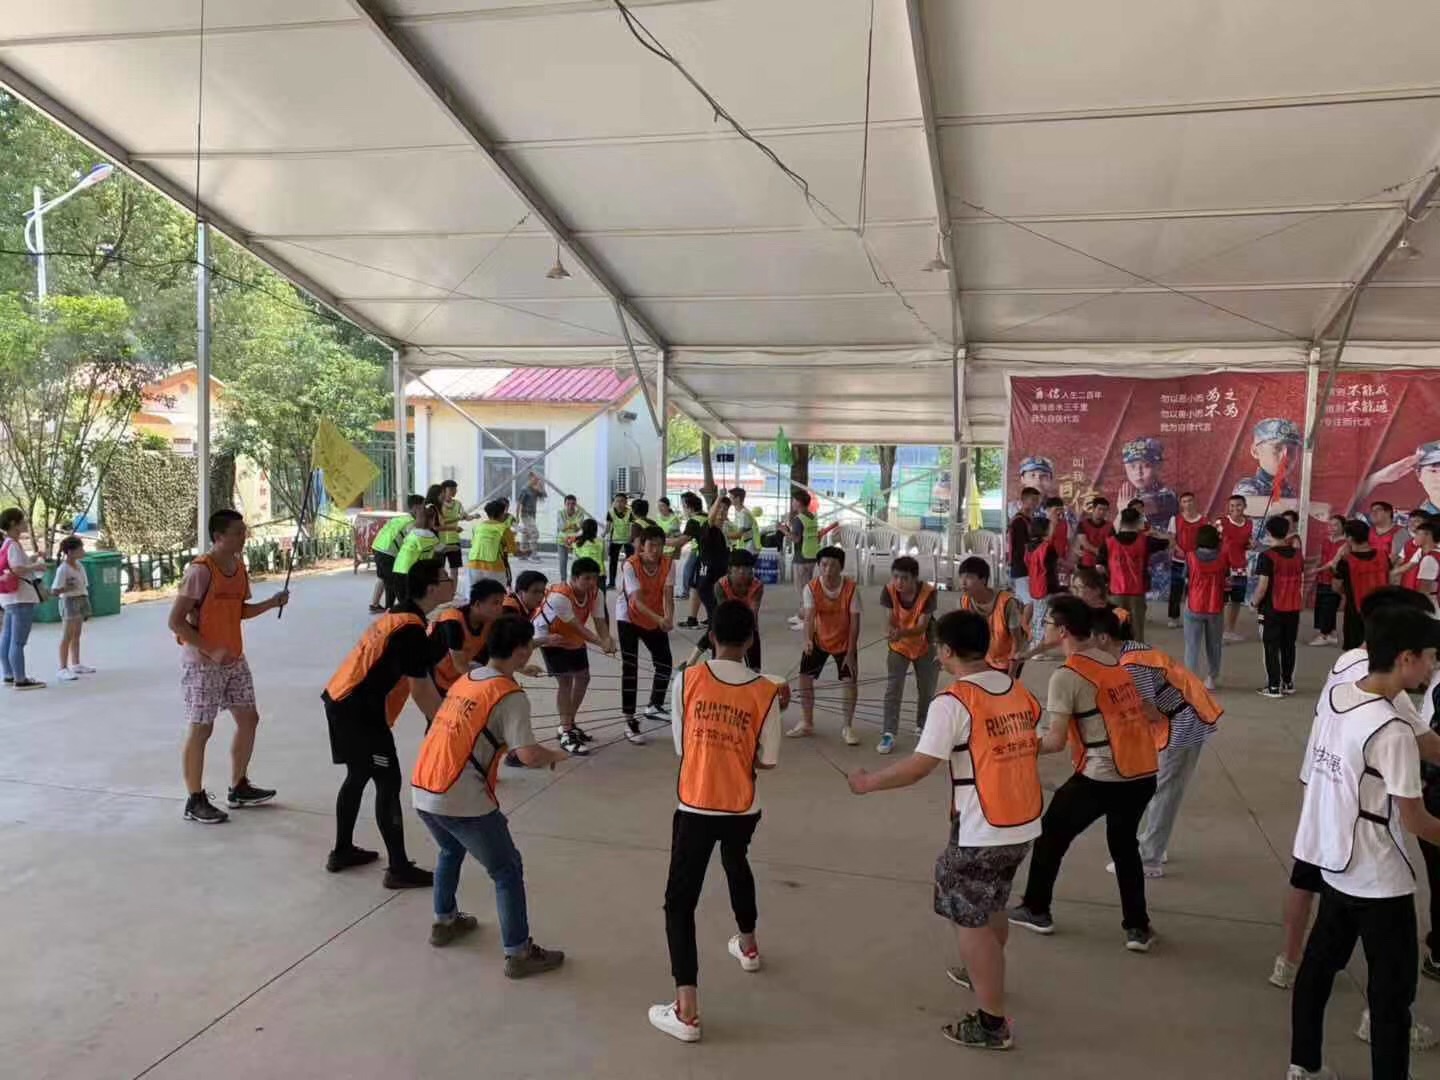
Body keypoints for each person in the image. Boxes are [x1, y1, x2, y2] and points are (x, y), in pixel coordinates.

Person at [848, 609, 1042, 1050]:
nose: (936, 654)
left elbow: (920, 766)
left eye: (938, 647)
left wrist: (868, 783)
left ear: (949, 651)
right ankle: (984, 973)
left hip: (984, 826)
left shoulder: (953, 702)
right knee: (992, 901)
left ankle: (991, 1023)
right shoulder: (1015, 687)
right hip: (1022, 820)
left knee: (968, 914)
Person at [1287, 604, 1440, 1080]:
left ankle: (1304, 1065)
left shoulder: (1341, 696)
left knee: (1318, 967)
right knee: (1391, 999)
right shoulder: (1392, 730)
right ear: (1407, 658)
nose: (1433, 667)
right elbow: (1416, 820)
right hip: (1380, 880)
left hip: (1338, 865)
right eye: (1431, 657)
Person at [648, 600, 786, 1043]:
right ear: (750, 640)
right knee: (736, 862)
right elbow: (768, 761)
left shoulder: (686, 680)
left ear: (711, 638)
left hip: (696, 805)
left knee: (679, 903)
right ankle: (748, 945)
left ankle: (687, 1011)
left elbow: (682, 747)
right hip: (742, 807)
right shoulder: (766, 691)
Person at [411, 613, 569, 974]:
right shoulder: (509, 695)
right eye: (529, 646)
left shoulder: (468, 678)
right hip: (460, 796)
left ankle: (445, 921)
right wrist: (554, 755)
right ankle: (519, 953)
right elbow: (527, 755)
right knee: (506, 869)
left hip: (423, 787)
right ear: (521, 651)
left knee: (450, 849)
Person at [1010, 595, 1163, 952]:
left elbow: (1054, 741)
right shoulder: (1110, 661)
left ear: (1063, 630)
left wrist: (1016, 746)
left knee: (1051, 835)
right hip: (1141, 772)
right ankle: (1137, 928)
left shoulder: (1067, 676)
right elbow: (1147, 710)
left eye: (1047, 624)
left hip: (1102, 777)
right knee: (1124, 847)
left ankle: (1036, 909)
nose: (1043, 629)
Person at [323, 558, 446, 886]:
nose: (451, 582)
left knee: (358, 775)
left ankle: (342, 851)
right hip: (358, 712)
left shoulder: (400, 616)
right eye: (446, 578)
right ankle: (398, 868)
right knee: (387, 782)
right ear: (432, 588)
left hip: (342, 700)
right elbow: (421, 687)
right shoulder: (409, 628)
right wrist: (446, 726)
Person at [168, 509, 289, 824]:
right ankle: (194, 799)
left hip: (234, 658)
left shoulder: (238, 567)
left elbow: (239, 611)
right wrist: (210, 649)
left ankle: (239, 787)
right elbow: (176, 621)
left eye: (244, 531)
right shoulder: (200, 571)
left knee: (249, 718)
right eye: (237, 532)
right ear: (218, 536)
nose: (243, 536)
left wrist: (271, 603)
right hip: (202, 663)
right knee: (202, 728)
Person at [1098, 609, 1220, 879]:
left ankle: (1149, 858)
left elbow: (1148, 711)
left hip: (1184, 724)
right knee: (1162, 788)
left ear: (1104, 638)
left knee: (1165, 790)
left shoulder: (1131, 664)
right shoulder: (1130, 651)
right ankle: (1155, 844)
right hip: (1181, 717)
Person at [534, 556, 615, 756]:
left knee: (583, 677)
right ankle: (566, 732)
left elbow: (599, 620)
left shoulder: (596, 592)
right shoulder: (560, 596)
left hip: (572, 637)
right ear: (574, 578)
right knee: (566, 681)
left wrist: (607, 639)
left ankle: (568, 723)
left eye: (594, 578)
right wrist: (601, 643)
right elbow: (578, 627)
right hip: (550, 636)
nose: (592, 583)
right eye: (587, 578)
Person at [789, 546, 860, 745]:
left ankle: (847, 727)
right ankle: (807, 722)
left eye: (833, 565)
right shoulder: (811, 588)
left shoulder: (851, 588)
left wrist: (851, 652)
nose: (828, 570)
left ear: (841, 567)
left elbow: (855, 623)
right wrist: (807, 639)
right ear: (819, 566)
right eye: (824, 565)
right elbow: (809, 617)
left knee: (850, 681)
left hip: (844, 641)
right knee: (804, 677)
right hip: (819, 639)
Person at [617, 525, 676, 744]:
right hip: (628, 618)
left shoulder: (669, 563)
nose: (656, 550)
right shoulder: (630, 565)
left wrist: (668, 617)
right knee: (630, 667)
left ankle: (654, 705)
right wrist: (660, 619)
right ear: (642, 546)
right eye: (651, 545)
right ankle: (630, 720)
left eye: (660, 545)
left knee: (664, 662)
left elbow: (668, 594)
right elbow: (635, 602)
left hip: (655, 615)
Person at [879, 556, 938, 754]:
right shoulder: (889, 591)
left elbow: (922, 626)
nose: (899, 582)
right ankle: (888, 733)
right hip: (899, 646)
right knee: (893, 688)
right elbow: (889, 619)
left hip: (925, 645)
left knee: (927, 689)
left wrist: (901, 632)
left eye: (904, 578)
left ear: (915, 578)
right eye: (895, 577)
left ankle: (923, 727)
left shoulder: (928, 592)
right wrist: (890, 630)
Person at [1253, 515, 1305, 699]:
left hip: (1272, 608)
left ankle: (1273, 686)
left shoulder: (1267, 556)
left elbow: (1262, 586)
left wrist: (1254, 602)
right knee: (1289, 645)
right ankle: (1288, 682)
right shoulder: (1298, 555)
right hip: (1293, 606)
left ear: (1268, 532)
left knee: (1271, 647)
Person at [686, 549, 764, 670]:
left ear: (752, 570)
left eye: (746, 568)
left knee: (753, 635)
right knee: (715, 628)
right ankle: (691, 662)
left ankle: (755, 671)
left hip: (746, 620)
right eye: (737, 568)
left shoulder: (757, 586)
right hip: (727, 618)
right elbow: (725, 613)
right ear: (730, 570)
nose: (742, 572)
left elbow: (752, 613)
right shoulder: (720, 585)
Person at [1103, 507, 1168, 643]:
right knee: (1137, 633)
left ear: (1121, 522)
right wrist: (1154, 532)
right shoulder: (1146, 541)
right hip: (1137, 593)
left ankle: (1118, 655)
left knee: (1116, 632)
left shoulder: (1108, 542)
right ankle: (1137, 655)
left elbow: (1099, 567)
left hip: (1115, 592)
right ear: (1139, 522)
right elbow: (1169, 542)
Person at [431, 579, 507, 696]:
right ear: (477, 604)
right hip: (432, 677)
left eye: (501, 603)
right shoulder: (453, 621)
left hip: (456, 677)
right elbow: (460, 666)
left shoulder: (490, 622)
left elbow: (495, 657)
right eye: (495, 603)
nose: (500, 608)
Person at [0, 507, 47, 691]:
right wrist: (37, 566)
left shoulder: (7, 544)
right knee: (18, 641)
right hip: (21, 598)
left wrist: (33, 558)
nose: (26, 523)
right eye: (23, 520)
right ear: (14, 524)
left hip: (9, 598)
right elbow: (17, 569)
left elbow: (17, 565)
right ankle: (20, 679)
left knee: (7, 637)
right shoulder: (13, 545)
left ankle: (9, 674)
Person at [957, 556, 1026, 676]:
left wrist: (1011, 676)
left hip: (1007, 661)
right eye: (961, 577)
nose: (963, 582)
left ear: (983, 580)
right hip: (984, 658)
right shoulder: (964, 601)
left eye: (969, 577)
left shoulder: (1007, 603)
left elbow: (1017, 643)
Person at [780, 488, 834, 632]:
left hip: (801, 556)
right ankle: (801, 615)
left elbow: (796, 538)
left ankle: (807, 621)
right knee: (807, 587)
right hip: (812, 554)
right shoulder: (812, 516)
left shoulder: (798, 519)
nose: (792, 503)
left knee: (802, 590)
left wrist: (783, 530)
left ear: (798, 502)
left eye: (793, 500)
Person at [1336, 519, 1390, 650]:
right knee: (1379, 650)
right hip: (1381, 610)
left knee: (1355, 653)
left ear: (1349, 538)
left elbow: (1336, 586)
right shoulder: (1383, 555)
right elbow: (1391, 578)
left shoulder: (1346, 561)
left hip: (1355, 613)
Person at [1183, 525, 1226, 688]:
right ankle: (1211, 678)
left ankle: (1190, 678)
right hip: (1215, 606)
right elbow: (1226, 578)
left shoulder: (1190, 556)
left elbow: (1185, 578)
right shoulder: (1223, 557)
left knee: (1192, 645)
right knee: (1214, 645)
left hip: (1194, 604)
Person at [369, 495, 424, 613]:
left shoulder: (402, 518)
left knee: (383, 577)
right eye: (422, 507)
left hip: (378, 546)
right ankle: (394, 609)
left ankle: (374, 605)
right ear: (416, 507)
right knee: (394, 582)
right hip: (388, 552)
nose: (424, 510)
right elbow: (412, 542)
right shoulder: (411, 522)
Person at [51, 535, 94, 683]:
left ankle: (76, 663)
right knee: (67, 635)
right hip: (69, 601)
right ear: (70, 551)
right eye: (80, 549)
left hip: (81, 597)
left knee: (77, 634)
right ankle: (62, 668)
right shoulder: (63, 569)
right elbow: (55, 591)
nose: (83, 551)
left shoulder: (79, 565)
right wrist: (66, 588)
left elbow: (83, 584)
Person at [1117, 436, 1177, 531]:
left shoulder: (1167, 495)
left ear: (1158, 467)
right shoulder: (1131, 495)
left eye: (1146, 465)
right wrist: (1122, 511)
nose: (1138, 472)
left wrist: (1126, 508)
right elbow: (1118, 530)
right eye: (1132, 467)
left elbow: (1145, 506)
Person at [1165, 492, 1207, 629]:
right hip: (1179, 561)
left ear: (1195, 502)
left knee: (1195, 591)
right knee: (1176, 590)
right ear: (1181, 504)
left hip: (1197, 563)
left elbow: (1206, 541)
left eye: (1190, 501)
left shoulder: (1204, 521)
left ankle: (1195, 616)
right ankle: (1173, 617)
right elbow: (1171, 538)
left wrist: (1197, 555)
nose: (1188, 504)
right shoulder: (1175, 519)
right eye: (1184, 501)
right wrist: (1178, 549)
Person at [1234, 417, 1301, 498]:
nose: (1285, 456)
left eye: (1292, 450)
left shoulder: (1290, 491)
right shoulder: (1248, 490)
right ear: (1255, 451)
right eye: (1277, 448)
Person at [1218, 494, 1254, 643]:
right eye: (1232, 505)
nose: (1235, 508)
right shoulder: (1221, 522)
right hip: (1223, 567)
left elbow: (1247, 543)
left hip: (1240, 567)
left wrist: (1251, 545)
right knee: (1220, 601)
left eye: (1238, 505)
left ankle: (1229, 631)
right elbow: (1213, 542)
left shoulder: (1249, 523)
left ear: (1244, 506)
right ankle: (1216, 632)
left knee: (1236, 600)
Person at [1309, 515, 1347, 647]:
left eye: (1335, 525)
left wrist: (1317, 569)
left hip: (1335, 580)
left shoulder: (1345, 544)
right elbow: (1321, 557)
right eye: (1330, 525)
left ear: (1343, 527)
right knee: (1321, 606)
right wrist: (1316, 569)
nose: (1332, 528)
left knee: (1329, 607)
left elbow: (1333, 562)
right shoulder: (1325, 541)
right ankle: (1331, 634)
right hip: (1322, 578)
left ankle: (1324, 635)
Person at [1024, 514, 1060, 652]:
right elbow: (1053, 564)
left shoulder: (1030, 547)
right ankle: (1036, 648)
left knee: (1038, 616)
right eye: (1050, 528)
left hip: (1035, 585)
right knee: (1042, 618)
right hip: (1045, 586)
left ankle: (1036, 645)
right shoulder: (1046, 547)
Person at [467, 499, 517, 587]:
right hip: (494, 567)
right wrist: (526, 552)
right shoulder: (504, 529)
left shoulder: (477, 527)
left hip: (473, 565)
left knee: (475, 593)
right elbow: (514, 551)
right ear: (502, 513)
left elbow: (474, 544)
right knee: (497, 593)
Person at [1006, 487, 1040, 605]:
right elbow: (1023, 548)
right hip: (1021, 566)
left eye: (1037, 500)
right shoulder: (1019, 521)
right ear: (1024, 500)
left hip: (1026, 565)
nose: (1036, 503)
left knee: (1023, 601)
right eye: (1033, 500)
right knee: (1027, 602)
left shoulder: (1029, 520)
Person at [1397, 519, 1440, 608]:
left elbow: (1424, 589)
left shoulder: (1430, 558)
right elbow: (1405, 567)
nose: (1414, 537)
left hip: (1431, 604)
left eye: (1417, 534)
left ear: (1428, 535)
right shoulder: (1421, 551)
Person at [393, 502, 441, 578]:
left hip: (398, 568)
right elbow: (440, 549)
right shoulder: (430, 537)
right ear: (431, 520)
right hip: (410, 571)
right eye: (434, 519)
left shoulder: (412, 533)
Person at [604, 492, 635, 590]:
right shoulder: (610, 512)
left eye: (622, 501)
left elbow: (632, 526)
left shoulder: (630, 512)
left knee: (630, 562)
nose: (619, 503)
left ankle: (630, 583)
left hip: (628, 540)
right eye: (617, 501)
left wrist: (631, 537)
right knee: (613, 562)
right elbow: (608, 526)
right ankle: (612, 583)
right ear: (614, 502)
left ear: (626, 502)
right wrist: (604, 533)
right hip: (615, 540)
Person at [1075, 496, 1114, 571]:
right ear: (1093, 509)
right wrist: (1098, 552)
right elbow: (1084, 543)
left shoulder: (1110, 526)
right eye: (1100, 509)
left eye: (1105, 510)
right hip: (1085, 563)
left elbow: (1112, 544)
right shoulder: (1083, 524)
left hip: (1103, 564)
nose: (1102, 512)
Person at [555, 494, 584, 583]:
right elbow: (561, 527)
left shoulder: (580, 513)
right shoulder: (560, 513)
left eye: (573, 504)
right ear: (565, 504)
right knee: (562, 562)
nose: (570, 506)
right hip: (562, 540)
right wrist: (573, 525)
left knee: (576, 562)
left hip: (575, 541)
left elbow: (578, 528)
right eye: (568, 504)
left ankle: (574, 581)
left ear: (575, 504)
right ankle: (563, 582)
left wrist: (568, 526)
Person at [516, 472, 545, 557]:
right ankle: (533, 554)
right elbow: (519, 503)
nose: (537, 480)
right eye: (535, 478)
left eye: (538, 479)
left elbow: (543, 496)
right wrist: (517, 517)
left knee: (526, 533)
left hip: (532, 515)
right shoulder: (525, 489)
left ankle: (523, 553)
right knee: (534, 533)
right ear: (530, 478)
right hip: (526, 515)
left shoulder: (535, 489)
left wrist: (540, 487)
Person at [571, 519, 606, 589]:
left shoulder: (576, 543)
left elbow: (575, 561)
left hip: (584, 575)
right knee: (600, 594)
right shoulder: (601, 541)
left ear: (583, 529)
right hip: (599, 573)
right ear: (595, 530)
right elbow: (603, 558)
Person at [1368, 500, 1404, 565]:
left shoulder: (1401, 532)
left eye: (1377, 510)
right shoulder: (1367, 532)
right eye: (1372, 511)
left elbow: (1397, 557)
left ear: (1388, 512)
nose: (1373, 513)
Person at [726, 486, 758, 553]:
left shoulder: (743, 514)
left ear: (737, 499)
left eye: (731, 497)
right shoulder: (739, 511)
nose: (729, 499)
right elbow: (737, 527)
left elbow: (739, 534)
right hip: (743, 548)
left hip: (748, 550)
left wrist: (723, 535)